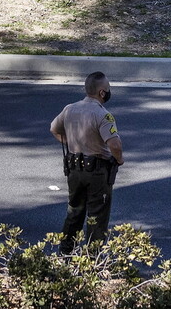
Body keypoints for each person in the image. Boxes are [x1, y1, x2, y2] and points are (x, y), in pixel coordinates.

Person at [50, 71, 124, 254]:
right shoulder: (103, 115)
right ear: (102, 93)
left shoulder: (70, 109)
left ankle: (65, 252)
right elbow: (114, 143)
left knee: (74, 212)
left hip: (74, 169)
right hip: (97, 172)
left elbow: (54, 129)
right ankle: (93, 259)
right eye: (107, 89)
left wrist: (71, 143)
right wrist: (119, 159)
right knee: (97, 217)